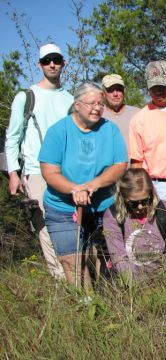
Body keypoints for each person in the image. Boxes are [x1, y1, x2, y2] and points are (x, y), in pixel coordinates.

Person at [39, 82, 128, 289]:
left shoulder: (110, 129)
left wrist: (93, 185)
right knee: (73, 260)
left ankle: (108, 298)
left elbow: (120, 165)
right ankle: (86, 303)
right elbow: (49, 172)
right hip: (63, 207)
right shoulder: (59, 131)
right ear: (77, 104)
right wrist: (75, 189)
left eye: (100, 103)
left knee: (105, 256)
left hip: (103, 205)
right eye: (91, 103)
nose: (97, 107)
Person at [5, 43, 73, 279]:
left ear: (63, 62)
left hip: (68, 171)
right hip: (36, 171)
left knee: (72, 224)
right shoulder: (26, 97)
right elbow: (12, 137)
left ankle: (76, 278)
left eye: (55, 59)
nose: (52, 64)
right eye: (47, 61)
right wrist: (14, 172)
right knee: (45, 225)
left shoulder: (70, 98)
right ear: (39, 65)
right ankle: (61, 281)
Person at [129, 61, 166, 233]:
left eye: (162, 86)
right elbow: (136, 164)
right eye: (153, 87)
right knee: (160, 236)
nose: (158, 92)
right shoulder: (139, 119)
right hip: (156, 188)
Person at [103, 168, 166, 282]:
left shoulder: (164, 211)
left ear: (151, 194)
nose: (140, 207)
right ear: (124, 198)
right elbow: (119, 259)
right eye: (134, 203)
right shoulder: (113, 216)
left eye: (145, 201)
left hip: (164, 280)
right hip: (129, 284)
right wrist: (136, 288)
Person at [101, 74, 140, 150]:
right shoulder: (97, 116)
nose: (115, 94)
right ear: (104, 93)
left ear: (124, 90)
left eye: (119, 89)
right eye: (110, 90)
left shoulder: (137, 114)